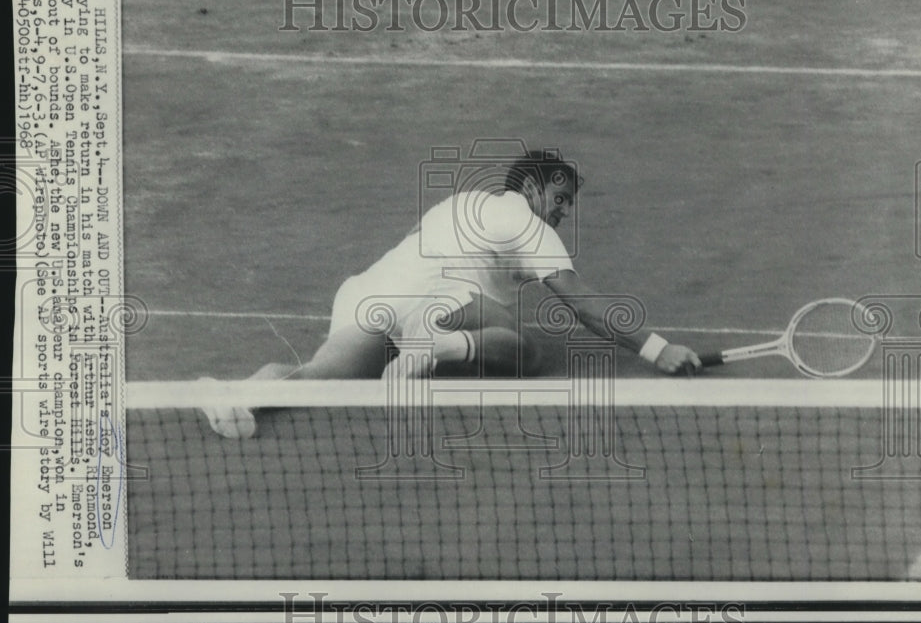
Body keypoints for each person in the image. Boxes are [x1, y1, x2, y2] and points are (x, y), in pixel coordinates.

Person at [202, 150, 701, 437]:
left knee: (319, 378)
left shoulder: (463, 202)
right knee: (526, 352)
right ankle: (434, 347)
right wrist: (659, 349)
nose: (564, 211)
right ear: (530, 187)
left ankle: (237, 395)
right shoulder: (528, 224)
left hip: (370, 295)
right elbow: (581, 302)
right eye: (560, 198)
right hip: (438, 305)